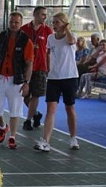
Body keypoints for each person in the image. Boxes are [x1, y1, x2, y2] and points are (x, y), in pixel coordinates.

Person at [34, 13, 80, 152]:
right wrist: (48, 68)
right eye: (53, 22)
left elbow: (71, 41)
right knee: (50, 109)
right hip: (54, 78)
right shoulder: (50, 38)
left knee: (69, 108)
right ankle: (45, 141)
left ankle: (73, 138)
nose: (54, 25)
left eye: (57, 22)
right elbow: (48, 53)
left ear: (64, 24)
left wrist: (67, 29)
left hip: (69, 77)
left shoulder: (71, 36)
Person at [0, 11, 34, 150]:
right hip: (0, 78)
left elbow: (29, 63)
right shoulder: (1, 37)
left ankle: (12, 136)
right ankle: (3, 127)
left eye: (16, 22)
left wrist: (26, 82)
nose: (13, 24)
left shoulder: (26, 41)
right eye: (11, 22)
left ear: (21, 23)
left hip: (17, 80)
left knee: (15, 110)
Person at [21, 6, 53, 131]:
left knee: (36, 94)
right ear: (35, 14)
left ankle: (28, 120)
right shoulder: (24, 30)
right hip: (25, 66)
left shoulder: (48, 31)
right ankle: (35, 114)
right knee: (24, 95)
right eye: (42, 14)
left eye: (45, 15)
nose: (44, 17)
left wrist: (49, 67)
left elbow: (50, 51)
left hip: (40, 67)